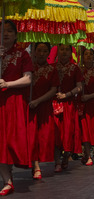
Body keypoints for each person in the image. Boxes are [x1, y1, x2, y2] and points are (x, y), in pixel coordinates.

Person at [0, 20, 33, 196]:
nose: (5, 34)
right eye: (1, 31)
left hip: (14, 104)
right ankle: (7, 181)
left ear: (15, 35)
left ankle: (9, 171)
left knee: (12, 141)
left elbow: (28, 79)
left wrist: (8, 83)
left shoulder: (23, 55)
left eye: (9, 31)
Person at [29, 42, 59, 179]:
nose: (41, 53)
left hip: (44, 107)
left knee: (43, 137)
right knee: (31, 136)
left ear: (48, 53)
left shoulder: (52, 70)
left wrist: (38, 101)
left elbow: (53, 90)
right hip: (28, 106)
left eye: (45, 51)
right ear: (34, 51)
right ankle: (35, 166)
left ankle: (37, 162)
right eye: (39, 50)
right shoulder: (28, 68)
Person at [53, 44, 83, 172]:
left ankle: (66, 157)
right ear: (57, 51)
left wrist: (67, 94)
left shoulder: (75, 68)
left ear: (71, 52)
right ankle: (57, 161)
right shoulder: (52, 68)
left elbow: (79, 87)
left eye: (67, 50)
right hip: (53, 103)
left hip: (69, 105)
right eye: (62, 49)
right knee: (55, 133)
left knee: (69, 133)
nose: (64, 52)